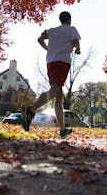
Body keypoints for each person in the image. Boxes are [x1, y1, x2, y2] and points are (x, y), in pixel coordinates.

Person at [22, 11, 81, 139]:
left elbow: (40, 39)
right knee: (54, 90)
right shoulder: (71, 29)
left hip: (50, 62)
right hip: (62, 62)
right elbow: (75, 41)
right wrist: (78, 49)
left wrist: (47, 49)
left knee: (58, 96)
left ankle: (62, 130)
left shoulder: (51, 30)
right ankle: (31, 110)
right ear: (69, 19)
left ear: (60, 20)